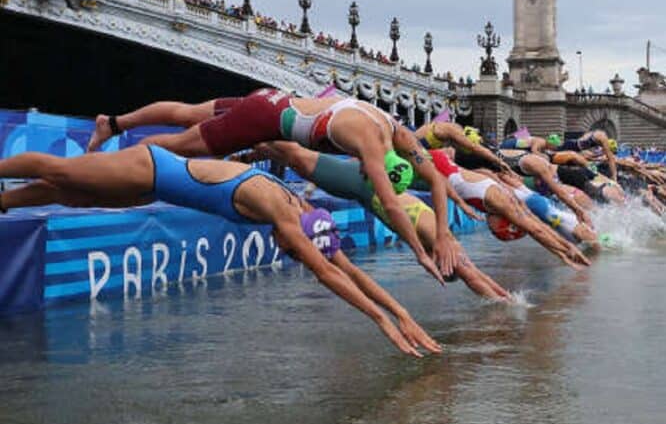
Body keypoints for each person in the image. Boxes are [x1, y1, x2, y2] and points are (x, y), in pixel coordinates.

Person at [0, 146, 441, 358]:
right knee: (59, 170)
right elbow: (328, 275)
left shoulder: (301, 209)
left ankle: (4, 201)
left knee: (72, 195)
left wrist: (402, 312)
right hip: (150, 166)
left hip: (149, 185)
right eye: (293, 252)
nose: (286, 254)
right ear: (298, 235)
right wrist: (381, 322)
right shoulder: (282, 211)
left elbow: (344, 268)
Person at [86, 89, 460, 279]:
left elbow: (435, 180)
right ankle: (128, 161)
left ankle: (114, 124)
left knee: (187, 113)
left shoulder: (396, 130)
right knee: (182, 146)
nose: (364, 171)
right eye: (370, 170)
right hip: (263, 118)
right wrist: (421, 254)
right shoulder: (373, 145)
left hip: (270, 98)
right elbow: (392, 204)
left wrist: (442, 233)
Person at [241, 142, 511, 300]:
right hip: (363, 187)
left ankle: (249, 154)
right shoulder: (441, 243)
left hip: (364, 185)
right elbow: (472, 276)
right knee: (296, 156)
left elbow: (477, 275)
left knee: (296, 156)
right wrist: (504, 305)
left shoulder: (439, 241)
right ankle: (248, 153)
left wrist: (504, 296)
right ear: (443, 266)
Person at [415, 148, 591, 268]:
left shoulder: (500, 203)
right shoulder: (499, 202)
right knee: (570, 231)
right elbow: (536, 230)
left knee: (565, 231)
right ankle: (594, 241)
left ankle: (594, 240)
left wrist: (562, 253)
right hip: (437, 163)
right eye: (495, 230)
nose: (490, 229)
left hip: (441, 165)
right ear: (504, 222)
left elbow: (536, 229)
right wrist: (566, 250)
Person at [414, 122, 510, 172]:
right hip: (415, 152)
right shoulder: (452, 130)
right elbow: (474, 147)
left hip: (415, 149)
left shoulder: (439, 126)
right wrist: (498, 161)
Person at [545, 130, 618, 181]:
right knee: (552, 156)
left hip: (572, 145)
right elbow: (610, 159)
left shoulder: (595, 133)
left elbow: (586, 154)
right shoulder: (603, 138)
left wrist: (596, 158)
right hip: (570, 147)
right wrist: (614, 176)